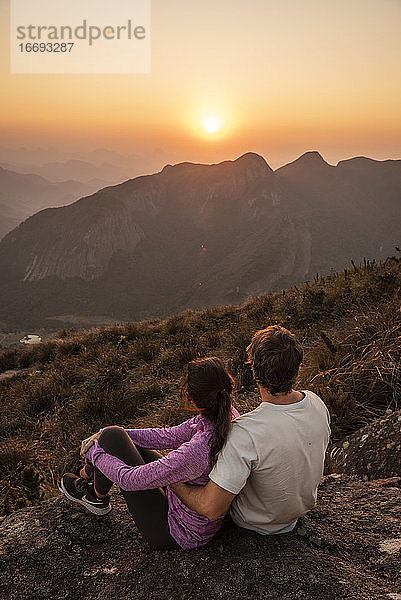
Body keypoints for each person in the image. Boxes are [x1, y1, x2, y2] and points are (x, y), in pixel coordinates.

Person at [58, 357, 239, 550]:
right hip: (185, 508)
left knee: (111, 439)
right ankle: (94, 485)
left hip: (175, 532)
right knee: (113, 435)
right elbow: (166, 436)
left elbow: (128, 480)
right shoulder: (226, 414)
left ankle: (95, 494)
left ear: (193, 397)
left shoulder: (197, 450)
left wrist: (95, 451)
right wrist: (106, 434)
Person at [170, 325, 331, 536]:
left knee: (118, 442)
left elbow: (211, 508)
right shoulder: (316, 403)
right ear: (297, 366)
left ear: (253, 370)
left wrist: (172, 480)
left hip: (254, 522)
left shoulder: (245, 433)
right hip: (296, 513)